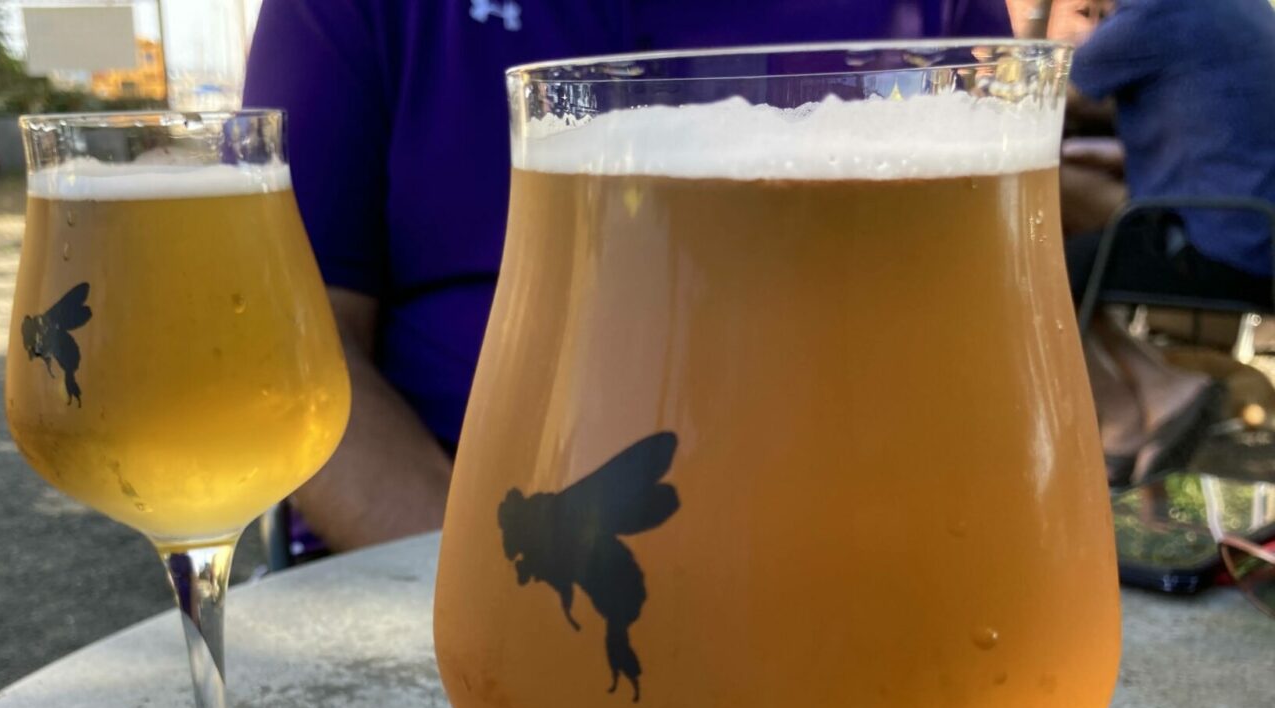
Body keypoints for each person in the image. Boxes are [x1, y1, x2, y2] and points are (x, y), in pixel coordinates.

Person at [244, 1, 1015, 551]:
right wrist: (491, 590)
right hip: (464, 540)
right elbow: (292, 341)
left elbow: (979, 292)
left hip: (841, 545)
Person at [1066, 0, 1275, 310]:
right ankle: (1152, 360)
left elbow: (1045, 97)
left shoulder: (1157, 9)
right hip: (1257, 238)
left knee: (1048, 274)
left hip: (1214, 248)